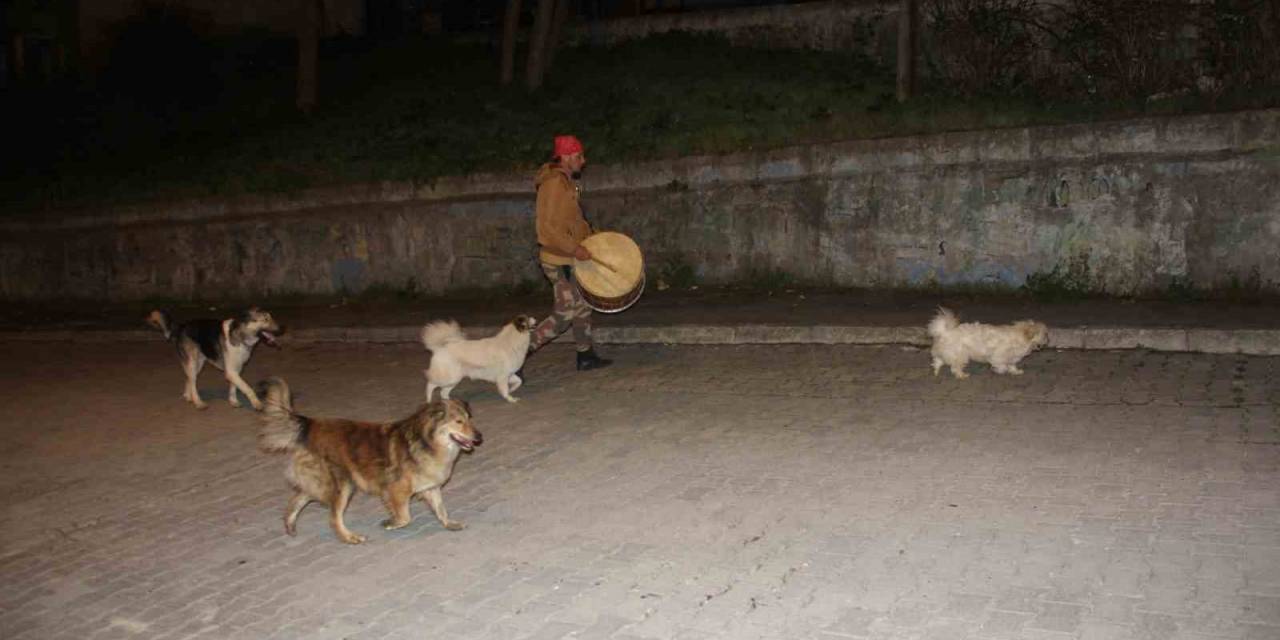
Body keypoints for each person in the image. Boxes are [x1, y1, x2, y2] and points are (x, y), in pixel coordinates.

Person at [526, 134, 612, 371]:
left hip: (570, 256)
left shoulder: (565, 181)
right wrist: (575, 248)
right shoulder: (553, 184)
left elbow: (572, 220)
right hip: (559, 260)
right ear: (564, 157)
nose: (583, 161)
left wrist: (592, 237)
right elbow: (547, 229)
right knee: (564, 314)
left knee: (583, 303)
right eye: (578, 156)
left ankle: (585, 355)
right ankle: (518, 354)